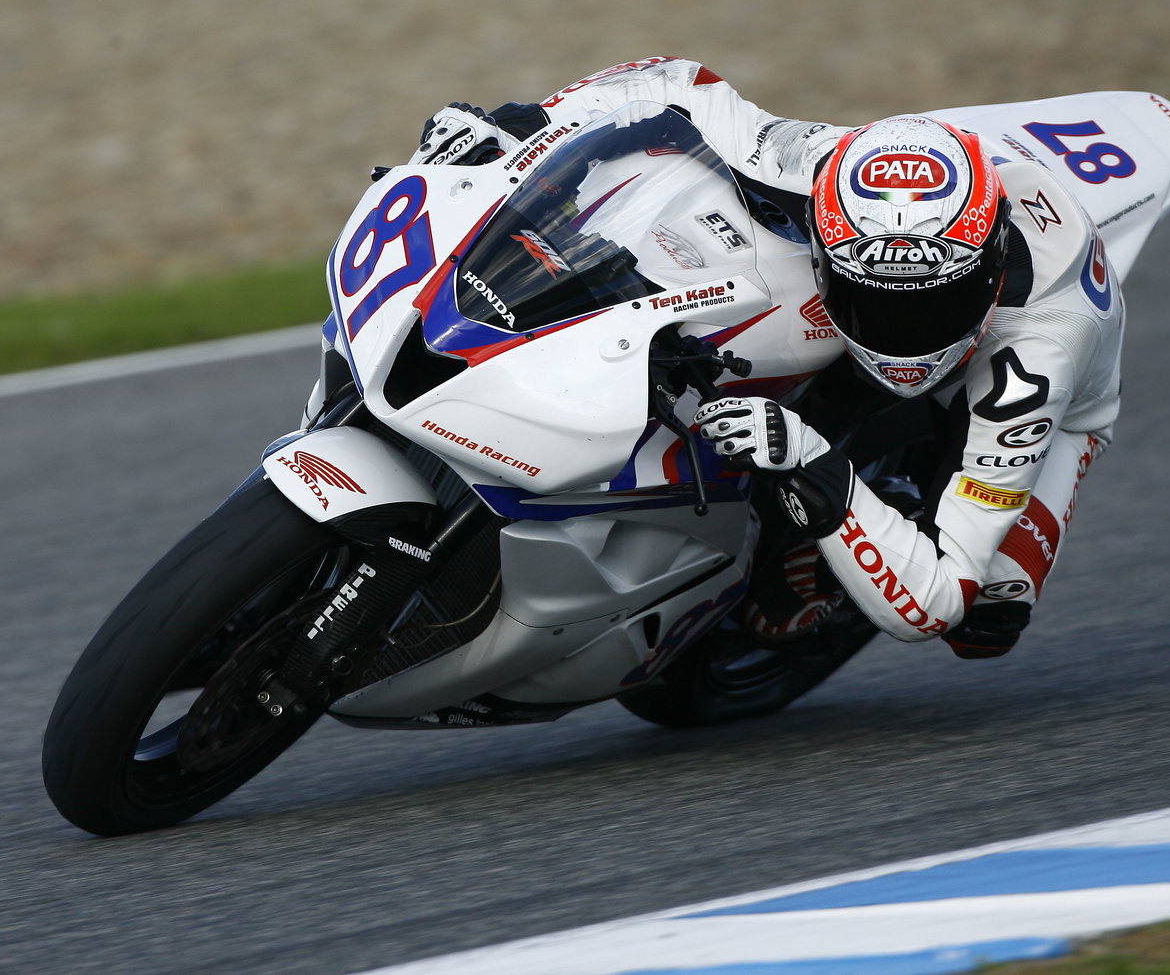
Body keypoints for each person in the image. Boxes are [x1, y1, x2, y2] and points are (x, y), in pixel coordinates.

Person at [405, 56, 1129, 659]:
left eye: (927, 305)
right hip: (920, 219)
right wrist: (516, 124)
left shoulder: (1036, 361)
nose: (900, 331)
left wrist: (808, 455)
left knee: (984, 617)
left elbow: (931, 605)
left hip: (1056, 401)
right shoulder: (817, 168)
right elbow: (677, 83)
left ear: (989, 268)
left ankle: (812, 558)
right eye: (872, 298)